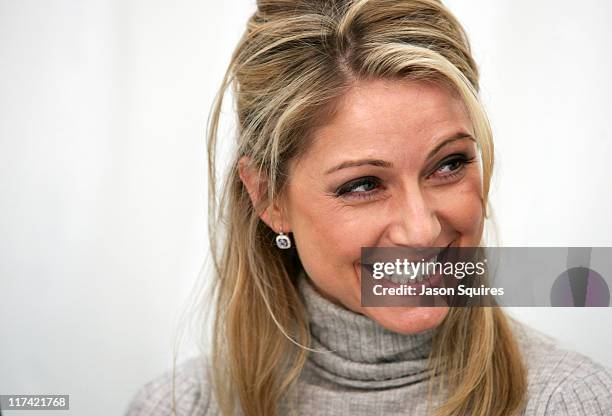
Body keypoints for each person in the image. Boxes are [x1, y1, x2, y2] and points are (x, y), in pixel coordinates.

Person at [126, 0, 612, 415]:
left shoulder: (565, 399)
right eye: (362, 184)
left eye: (448, 165)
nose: (421, 231)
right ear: (268, 198)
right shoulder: (181, 405)